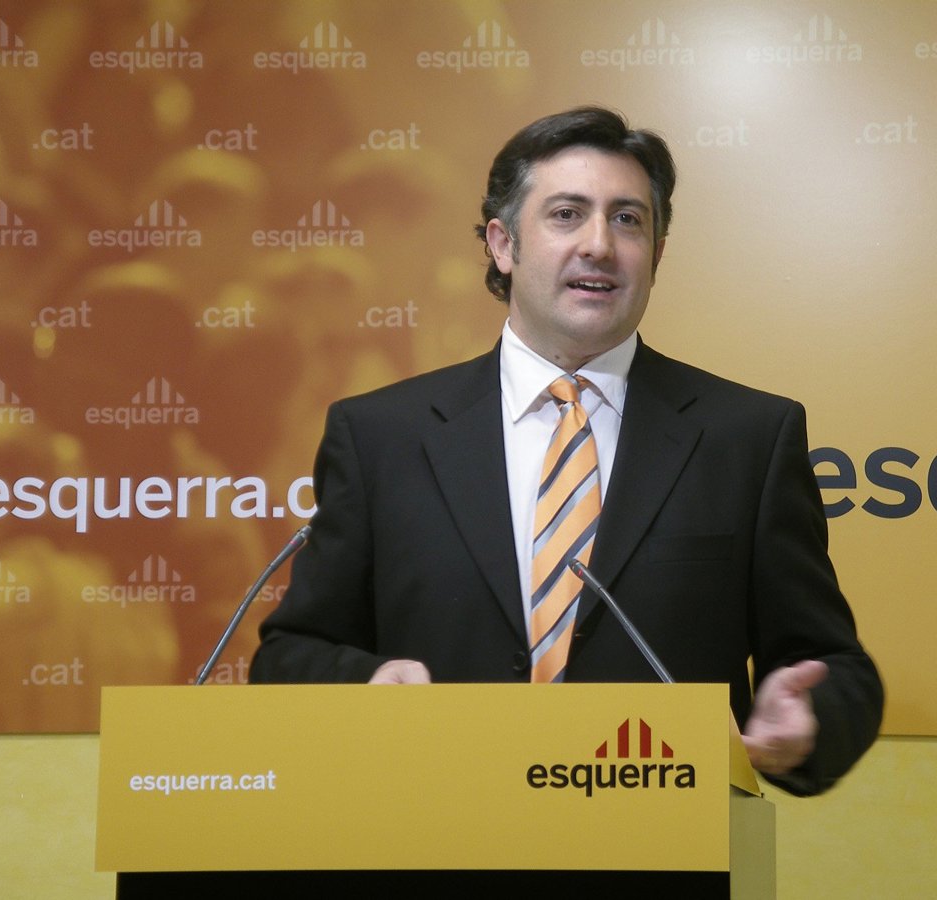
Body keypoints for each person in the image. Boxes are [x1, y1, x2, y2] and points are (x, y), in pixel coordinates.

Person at [250, 106, 882, 796]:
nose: (599, 245)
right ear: (503, 244)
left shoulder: (746, 437)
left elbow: (834, 666)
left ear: (657, 255)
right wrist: (367, 679)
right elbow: (289, 655)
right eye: (566, 215)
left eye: (627, 220)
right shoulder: (382, 436)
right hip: (433, 826)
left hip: (660, 837)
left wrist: (810, 718)